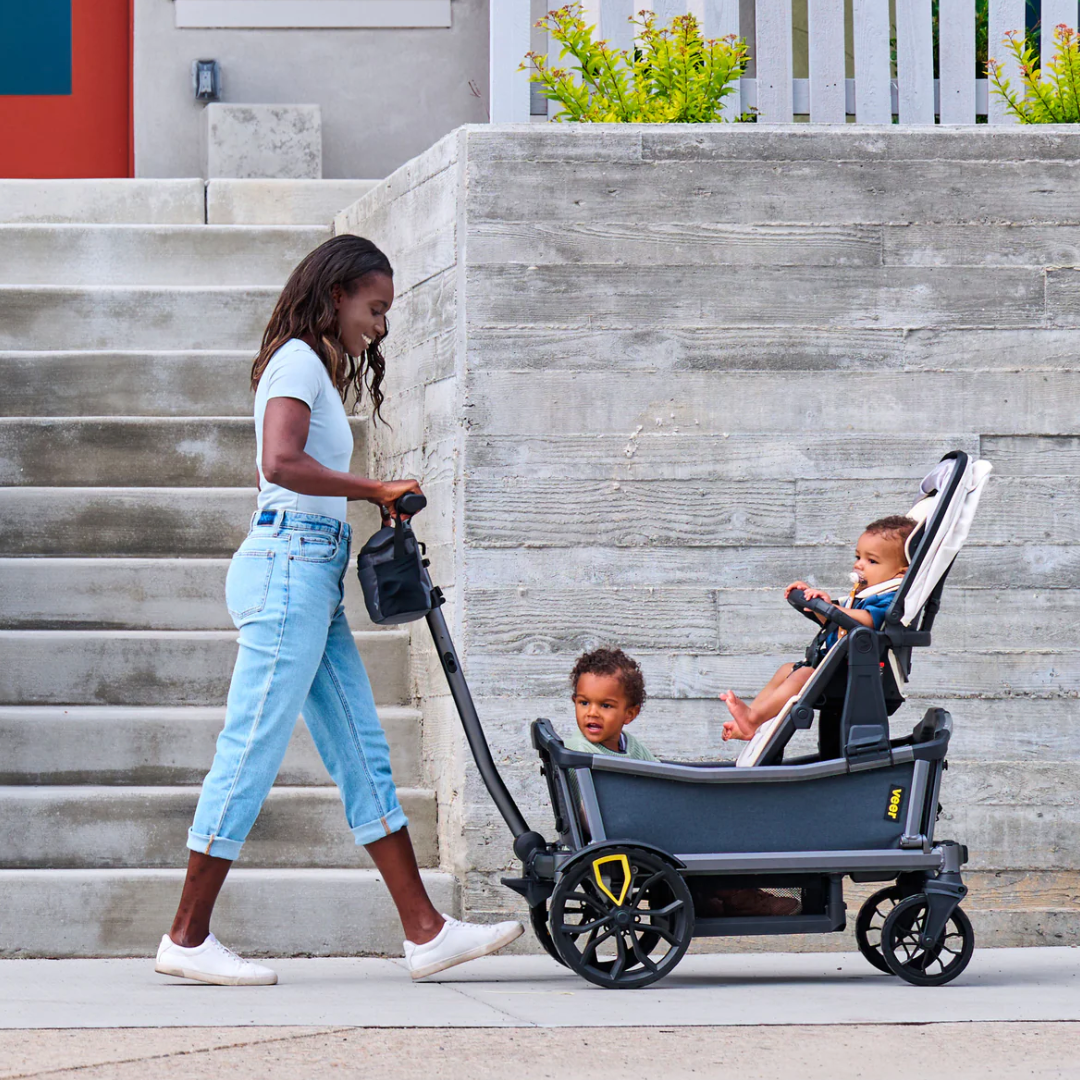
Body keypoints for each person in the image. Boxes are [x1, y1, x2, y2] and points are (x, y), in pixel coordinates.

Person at [155, 235, 522, 987]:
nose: (380, 325)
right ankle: (187, 938)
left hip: (309, 572)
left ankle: (425, 932)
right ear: (336, 295)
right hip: (285, 568)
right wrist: (374, 488)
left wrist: (366, 497)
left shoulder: (316, 368)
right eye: (374, 307)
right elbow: (280, 463)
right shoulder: (295, 359)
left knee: (362, 749)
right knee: (250, 749)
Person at [565, 647, 798, 917]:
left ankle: (702, 895)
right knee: (702, 836)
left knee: (706, 825)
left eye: (605, 705)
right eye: (584, 703)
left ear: (629, 714)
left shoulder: (629, 746)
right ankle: (739, 895)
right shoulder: (580, 750)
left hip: (640, 825)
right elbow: (592, 808)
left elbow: (663, 779)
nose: (592, 713)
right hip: (620, 833)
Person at [721, 514, 917, 743]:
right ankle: (753, 720)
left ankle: (752, 719)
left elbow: (868, 621)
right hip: (842, 668)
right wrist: (818, 604)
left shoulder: (890, 599)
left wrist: (831, 608)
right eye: (858, 557)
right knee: (787, 670)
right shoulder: (865, 595)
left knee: (803, 675)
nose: (859, 564)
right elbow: (840, 621)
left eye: (871, 561)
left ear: (900, 572)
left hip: (864, 674)